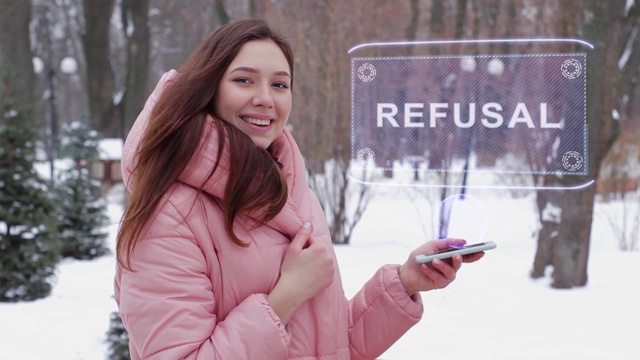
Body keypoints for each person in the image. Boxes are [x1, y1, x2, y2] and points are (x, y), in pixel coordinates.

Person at [114, 18, 485, 360]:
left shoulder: (290, 192)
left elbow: (332, 345)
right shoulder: (168, 218)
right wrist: (286, 296)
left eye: (279, 84)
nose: (265, 98)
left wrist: (405, 282)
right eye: (244, 80)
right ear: (207, 90)